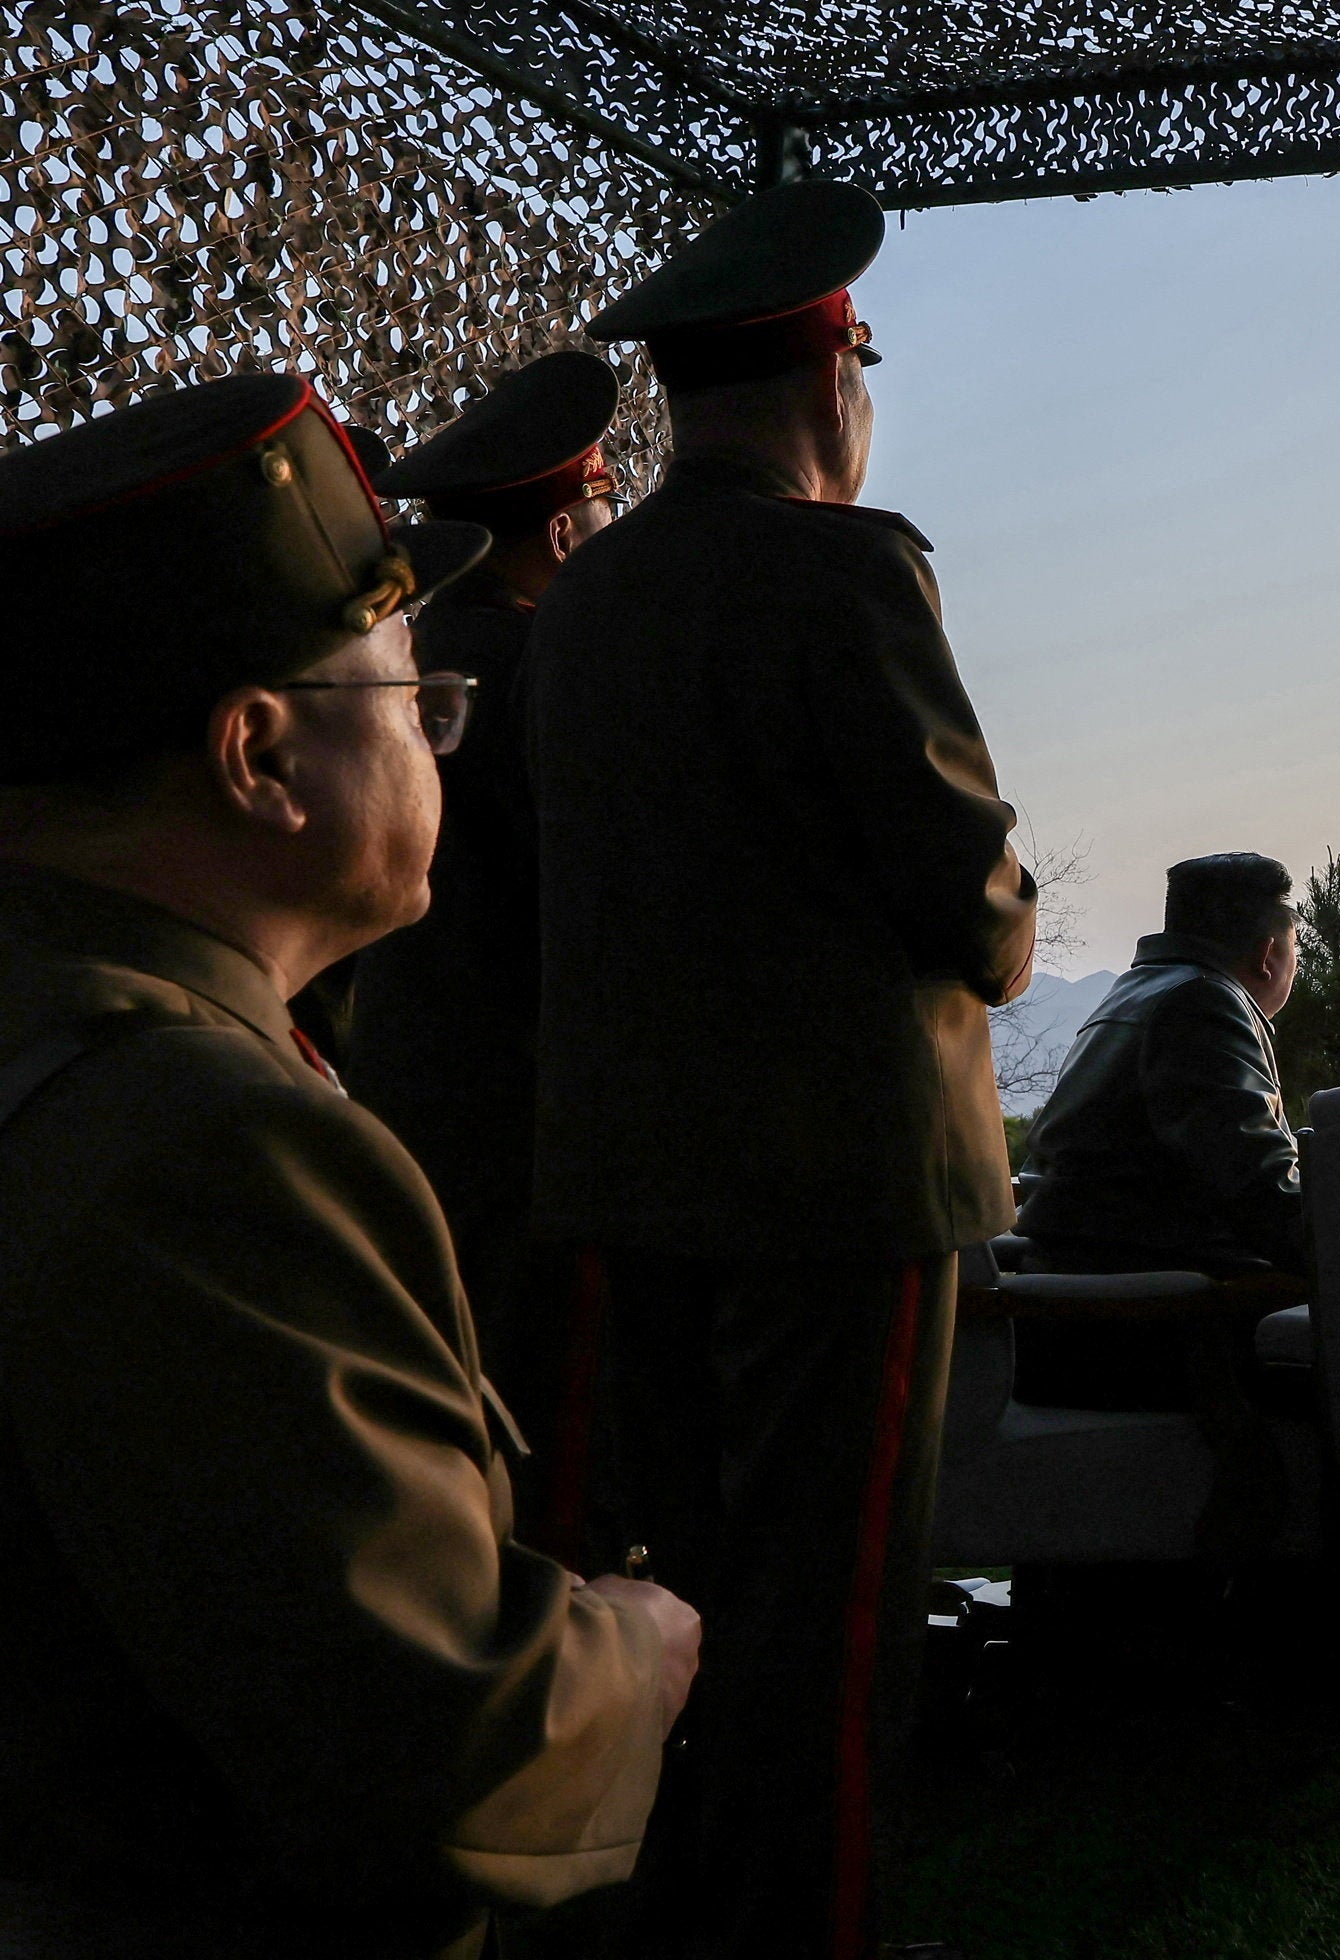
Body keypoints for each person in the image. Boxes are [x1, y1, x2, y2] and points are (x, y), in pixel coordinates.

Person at [0, 372, 698, 1959]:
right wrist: (628, 1658)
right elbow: (435, 1743)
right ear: (261, 754)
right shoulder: (198, 1140)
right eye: (413, 696)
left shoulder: (87, 1038)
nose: (441, 735)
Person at [529, 178, 1037, 1959]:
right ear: (835, 379)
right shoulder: (849, 573)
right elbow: (964, 902)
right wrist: (1021, 902)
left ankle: (658, 1909)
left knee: (676, 1593)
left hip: (629, 1170)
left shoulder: (579, 614)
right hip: (845, 1184)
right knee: (832, 1627)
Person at [346, 352, 622, 1558]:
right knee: (552, 1470)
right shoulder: (558, 678)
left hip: (404, 1111)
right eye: (608, 504)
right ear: (567, 527)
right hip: (543, 1131)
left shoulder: (404, 673)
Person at [1013, 853, 1304, 1407]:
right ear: (1269, 954)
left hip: (1071, 1306)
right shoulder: (1204, 1004)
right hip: (1145, 1331)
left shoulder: (1130, 993)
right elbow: (1259, 1191)